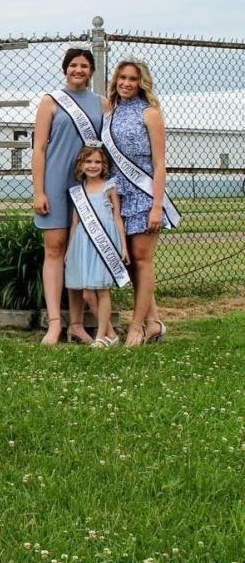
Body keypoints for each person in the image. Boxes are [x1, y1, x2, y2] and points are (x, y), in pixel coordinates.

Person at [32, 47, 108, 345]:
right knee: (55, 250)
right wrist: (39, 190)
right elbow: (38, 148)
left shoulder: (103, 104)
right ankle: (54, 324)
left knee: (80, 251)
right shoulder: (50, 102)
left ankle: (78, 324)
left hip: (89, 186)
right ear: (65, 68)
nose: (79, 70)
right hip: (54, 182)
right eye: (74, 65)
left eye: (85, 66)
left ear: (91, 71)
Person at [103, 58, 178, 346]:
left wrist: (157, 205)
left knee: (143, 260)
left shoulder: (151, 114)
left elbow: (160, 164)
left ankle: (137, 327)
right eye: (122, 77)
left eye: (132, 79)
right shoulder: (110, 111)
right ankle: (154, 322)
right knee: (131, 262)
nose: (126, 83)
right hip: (118, 196)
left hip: (144, 194)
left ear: (141, 82)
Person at [64, 144, 129, 346]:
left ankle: (101, 336)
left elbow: (118, 218)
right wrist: (69, 250)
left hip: (105, 240)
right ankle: (112, 334)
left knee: (102, 290)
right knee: (86, 294)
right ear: (81, 165)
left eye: (97, 162)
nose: (93, 166)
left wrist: (124, 247)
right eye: (88, 161)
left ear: (104, 165)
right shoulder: (77, 191)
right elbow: (75, 222)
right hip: (84, 242)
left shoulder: (110, 186)